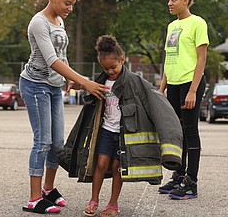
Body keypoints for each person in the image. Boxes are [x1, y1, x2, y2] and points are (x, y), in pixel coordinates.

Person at [56, 35, 183, 216]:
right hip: (107, 131)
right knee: (100, 164)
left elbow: (160, 107)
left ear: (122, 59)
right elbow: (85, 88)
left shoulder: (136, 83)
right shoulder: (101, 81)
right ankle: (94, 199)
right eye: (105, 68)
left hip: (124, 135)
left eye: (113, 67)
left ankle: (113, 204)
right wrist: (78, 84)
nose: (110, 71)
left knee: (117, 167)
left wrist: (170, 143)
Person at [19, 0, 108, 214]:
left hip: (54, 86)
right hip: (35, 85)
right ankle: (34, 198)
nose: (70, 8)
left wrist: (73, 79)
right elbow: (51, 60)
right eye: (67, 3)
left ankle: (48, 189)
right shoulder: (38, 22)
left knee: (57, 143)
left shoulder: (59, 21)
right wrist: (85, 82)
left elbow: (62, 57)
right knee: (42, 141)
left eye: (73, 4)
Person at [158, 0, 209, 200]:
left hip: (191, 83)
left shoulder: (197, 23)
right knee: (177, 133)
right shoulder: (172, 26)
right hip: (174, 84)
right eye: (168, 0)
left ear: (185, 1)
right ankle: (179, 176)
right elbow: (169, 57)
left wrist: (193, 90)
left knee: (190, 131)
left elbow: (201, 59)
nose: (169, 3)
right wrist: (162, 88)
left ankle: (192, 182)